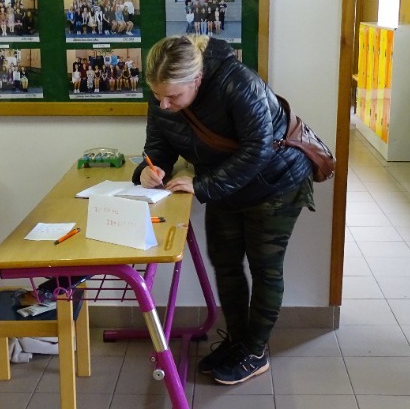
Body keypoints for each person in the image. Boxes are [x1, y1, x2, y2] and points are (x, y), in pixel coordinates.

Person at [133, 35, 315, 385]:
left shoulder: (238, 82)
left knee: (264, 267)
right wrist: (150, 170)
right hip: (224, 185)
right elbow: (158, 147)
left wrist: (202, 186)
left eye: (173, 96)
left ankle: (255, 352)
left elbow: (258, 149)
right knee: (225, 262)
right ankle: (237, 341)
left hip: (276, 182)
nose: (164, 104)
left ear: (197, 80)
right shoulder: (163, 97)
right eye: (157, 95)